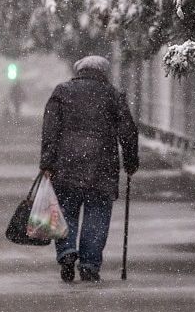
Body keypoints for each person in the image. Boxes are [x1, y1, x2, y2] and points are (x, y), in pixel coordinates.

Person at [39, 55, 139, 283]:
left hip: (67, 165)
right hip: (102, 166)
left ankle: (66, 253)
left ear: (78, 70)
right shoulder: (113, 95)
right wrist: (131, 161)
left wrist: (47, 162)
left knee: (65, 210)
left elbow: (50, 130)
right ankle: (89, 264)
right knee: (97, 214)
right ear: (104, 72)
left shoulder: (62, 92)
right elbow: (128, 131)